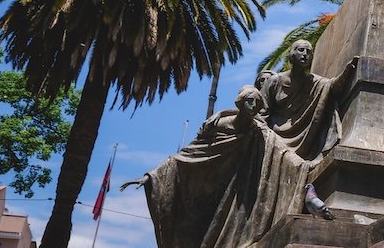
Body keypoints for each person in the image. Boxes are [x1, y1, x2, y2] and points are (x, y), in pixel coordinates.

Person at [121, 86, 312, 247]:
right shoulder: (220, 125)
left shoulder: (260, 131)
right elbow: (190, 153)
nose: (253, 106)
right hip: (207, 188)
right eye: (249, 101)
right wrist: (152, 176)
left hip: (235, 192)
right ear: (240, 102)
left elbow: (282, 151)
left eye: (257, 103)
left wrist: (304, 166)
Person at [261, 39, 358, 164]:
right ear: (291, 54)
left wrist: (347, 71)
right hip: (275, 136)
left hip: (304, 139)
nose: (305, 54)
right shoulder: (274, 81)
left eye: (309, 52)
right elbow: (262, 112)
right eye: (301, 50)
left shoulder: (315, 82)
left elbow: (332, 87)